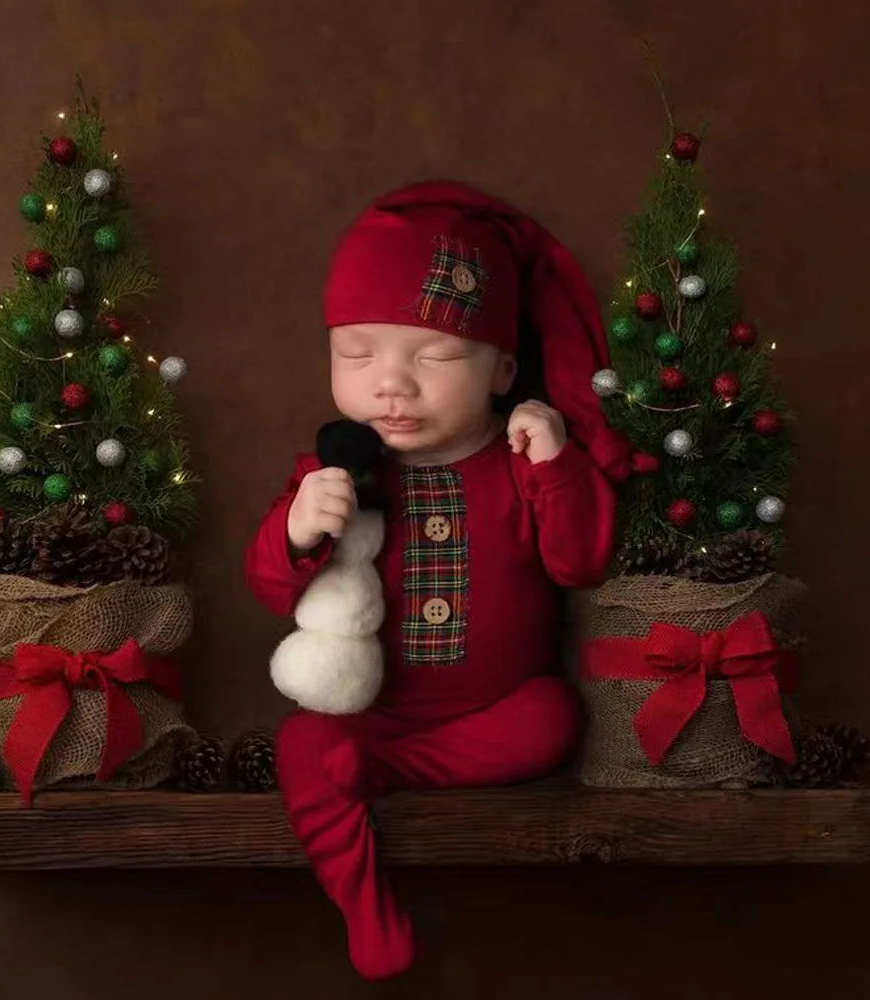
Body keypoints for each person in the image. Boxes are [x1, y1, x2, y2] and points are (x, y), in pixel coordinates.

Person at [244, 180, 648, 980]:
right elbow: (271, 590)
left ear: (502, 369)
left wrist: (557, 467)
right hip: (375, 715)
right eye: (357, 353)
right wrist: (294, 532)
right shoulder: (335, 472)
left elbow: (581, 562)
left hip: (496, 713)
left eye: (434, 355)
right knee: (304, 743)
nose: (392, 382)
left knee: (553, 717)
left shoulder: (520, 461)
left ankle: (390, 775)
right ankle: (363, 904)